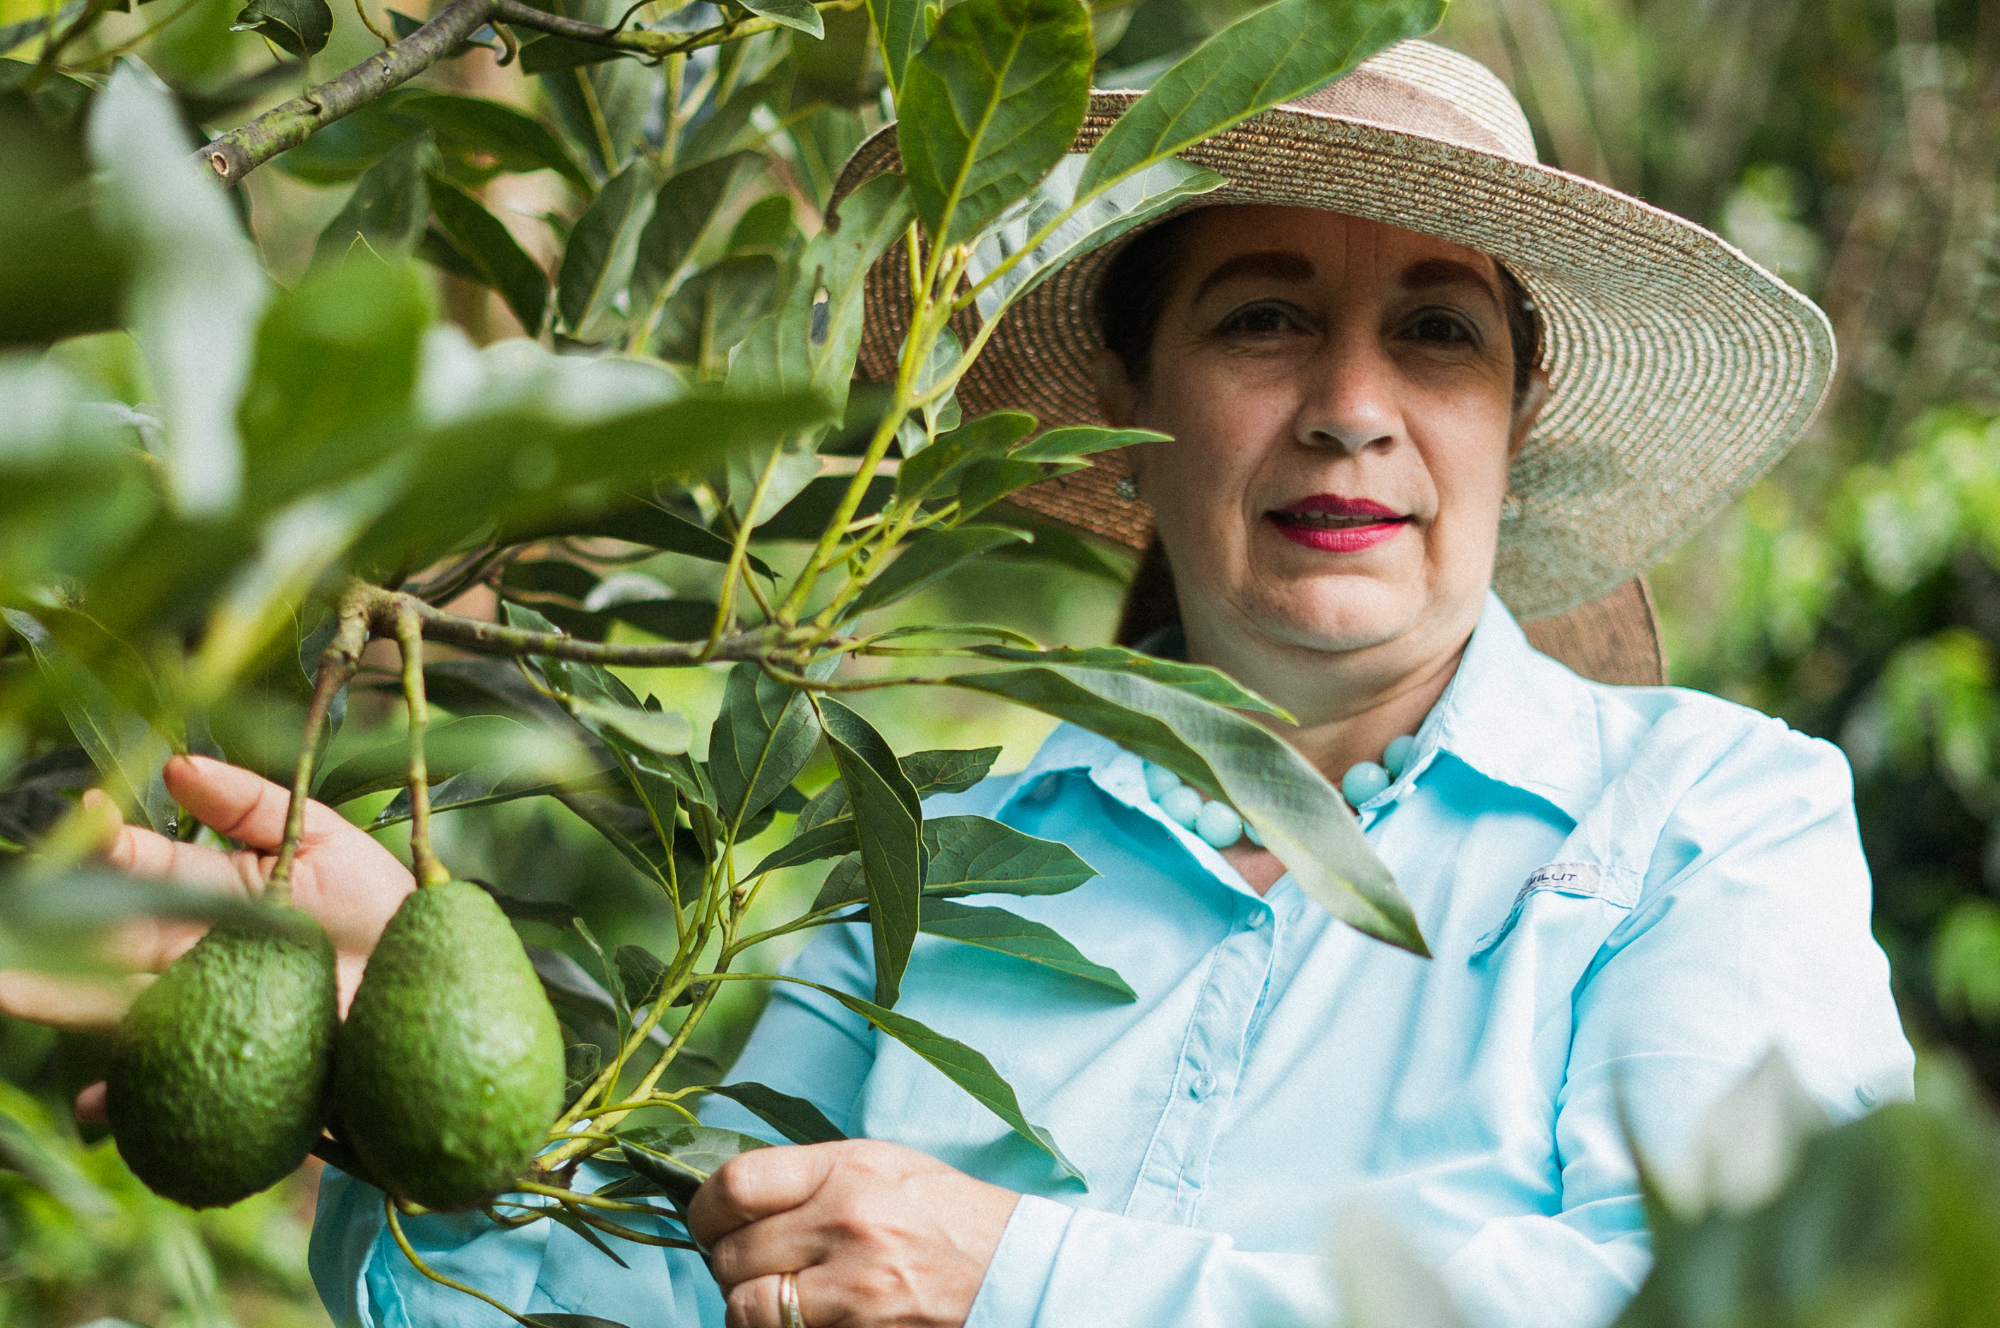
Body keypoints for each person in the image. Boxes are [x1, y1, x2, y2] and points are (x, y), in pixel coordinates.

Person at [4, 39, 1912, 1328]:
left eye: (1435, 334)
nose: (1351, 409)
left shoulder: (1709, 823)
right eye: (1264, 318)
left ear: (1513, 424)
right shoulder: (933, 869)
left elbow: (1761, 1294)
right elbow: (677, 1294)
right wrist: (389, 1066)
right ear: (1141, 413)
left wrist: (1021, 1282)